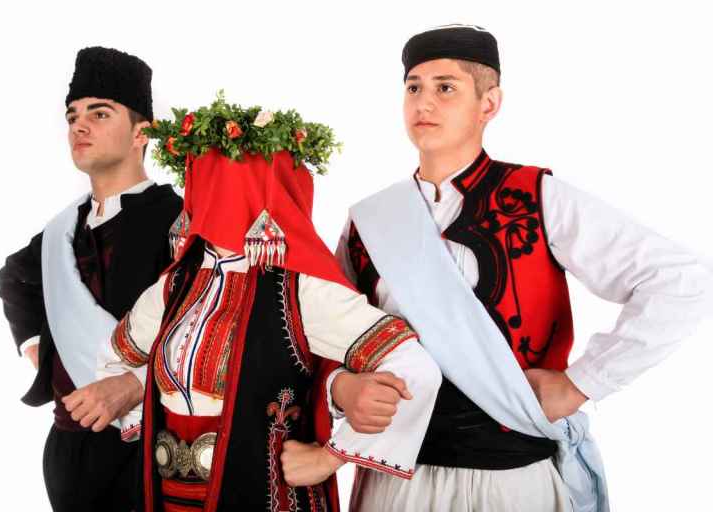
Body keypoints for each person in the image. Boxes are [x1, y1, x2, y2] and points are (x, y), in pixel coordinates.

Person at [330, 24, 713, 512]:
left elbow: (682, 281)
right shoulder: (368, 220)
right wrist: (341, 388)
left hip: (512, 483)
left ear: (488, 104)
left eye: (445, 88)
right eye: (413, 88)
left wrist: (581, 383)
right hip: (392, 481)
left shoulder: (539, 197)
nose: (424, 103)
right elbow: (328, 334)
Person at [95, 97, 442, 511]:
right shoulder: (178, 283)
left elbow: (414, 369)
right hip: (171, 497)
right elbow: (118, 360)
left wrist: (330, 457)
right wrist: (132, 386)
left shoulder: (300, 288)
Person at [0, 46, 183, 511]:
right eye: (73, 116)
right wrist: (41, 351)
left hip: (153, 451)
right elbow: (14, 278)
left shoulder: (180, 220)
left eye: (99, 114)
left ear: (142, 133)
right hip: (67, 451)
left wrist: (136, 383)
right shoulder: (61, 229)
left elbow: (213, 327)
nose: (79, 126)